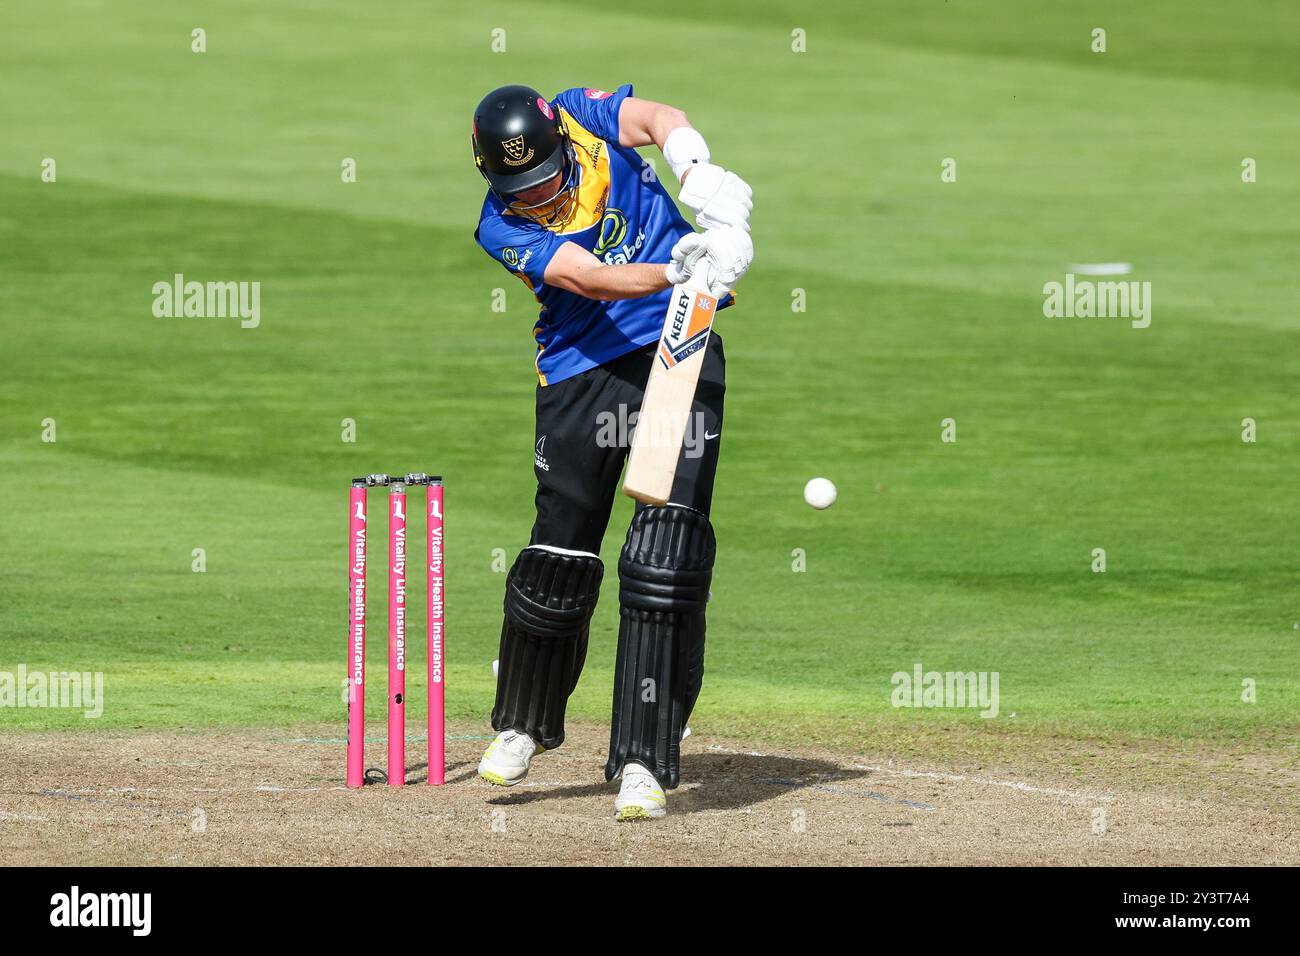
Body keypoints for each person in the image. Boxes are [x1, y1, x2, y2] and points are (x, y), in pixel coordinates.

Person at [470, 83, 753, 820]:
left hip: (677, 345)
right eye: (519, 188)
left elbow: (662, 120)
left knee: (665, 555)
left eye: (546, 177)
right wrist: (682, 267)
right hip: (579, 369)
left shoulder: (584, 114)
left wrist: (701, 178)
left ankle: (643, 760)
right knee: (559, 552)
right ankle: (524, 724)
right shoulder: (500, 227)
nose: (536, 196)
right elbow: (590, 280)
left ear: (561, 139)